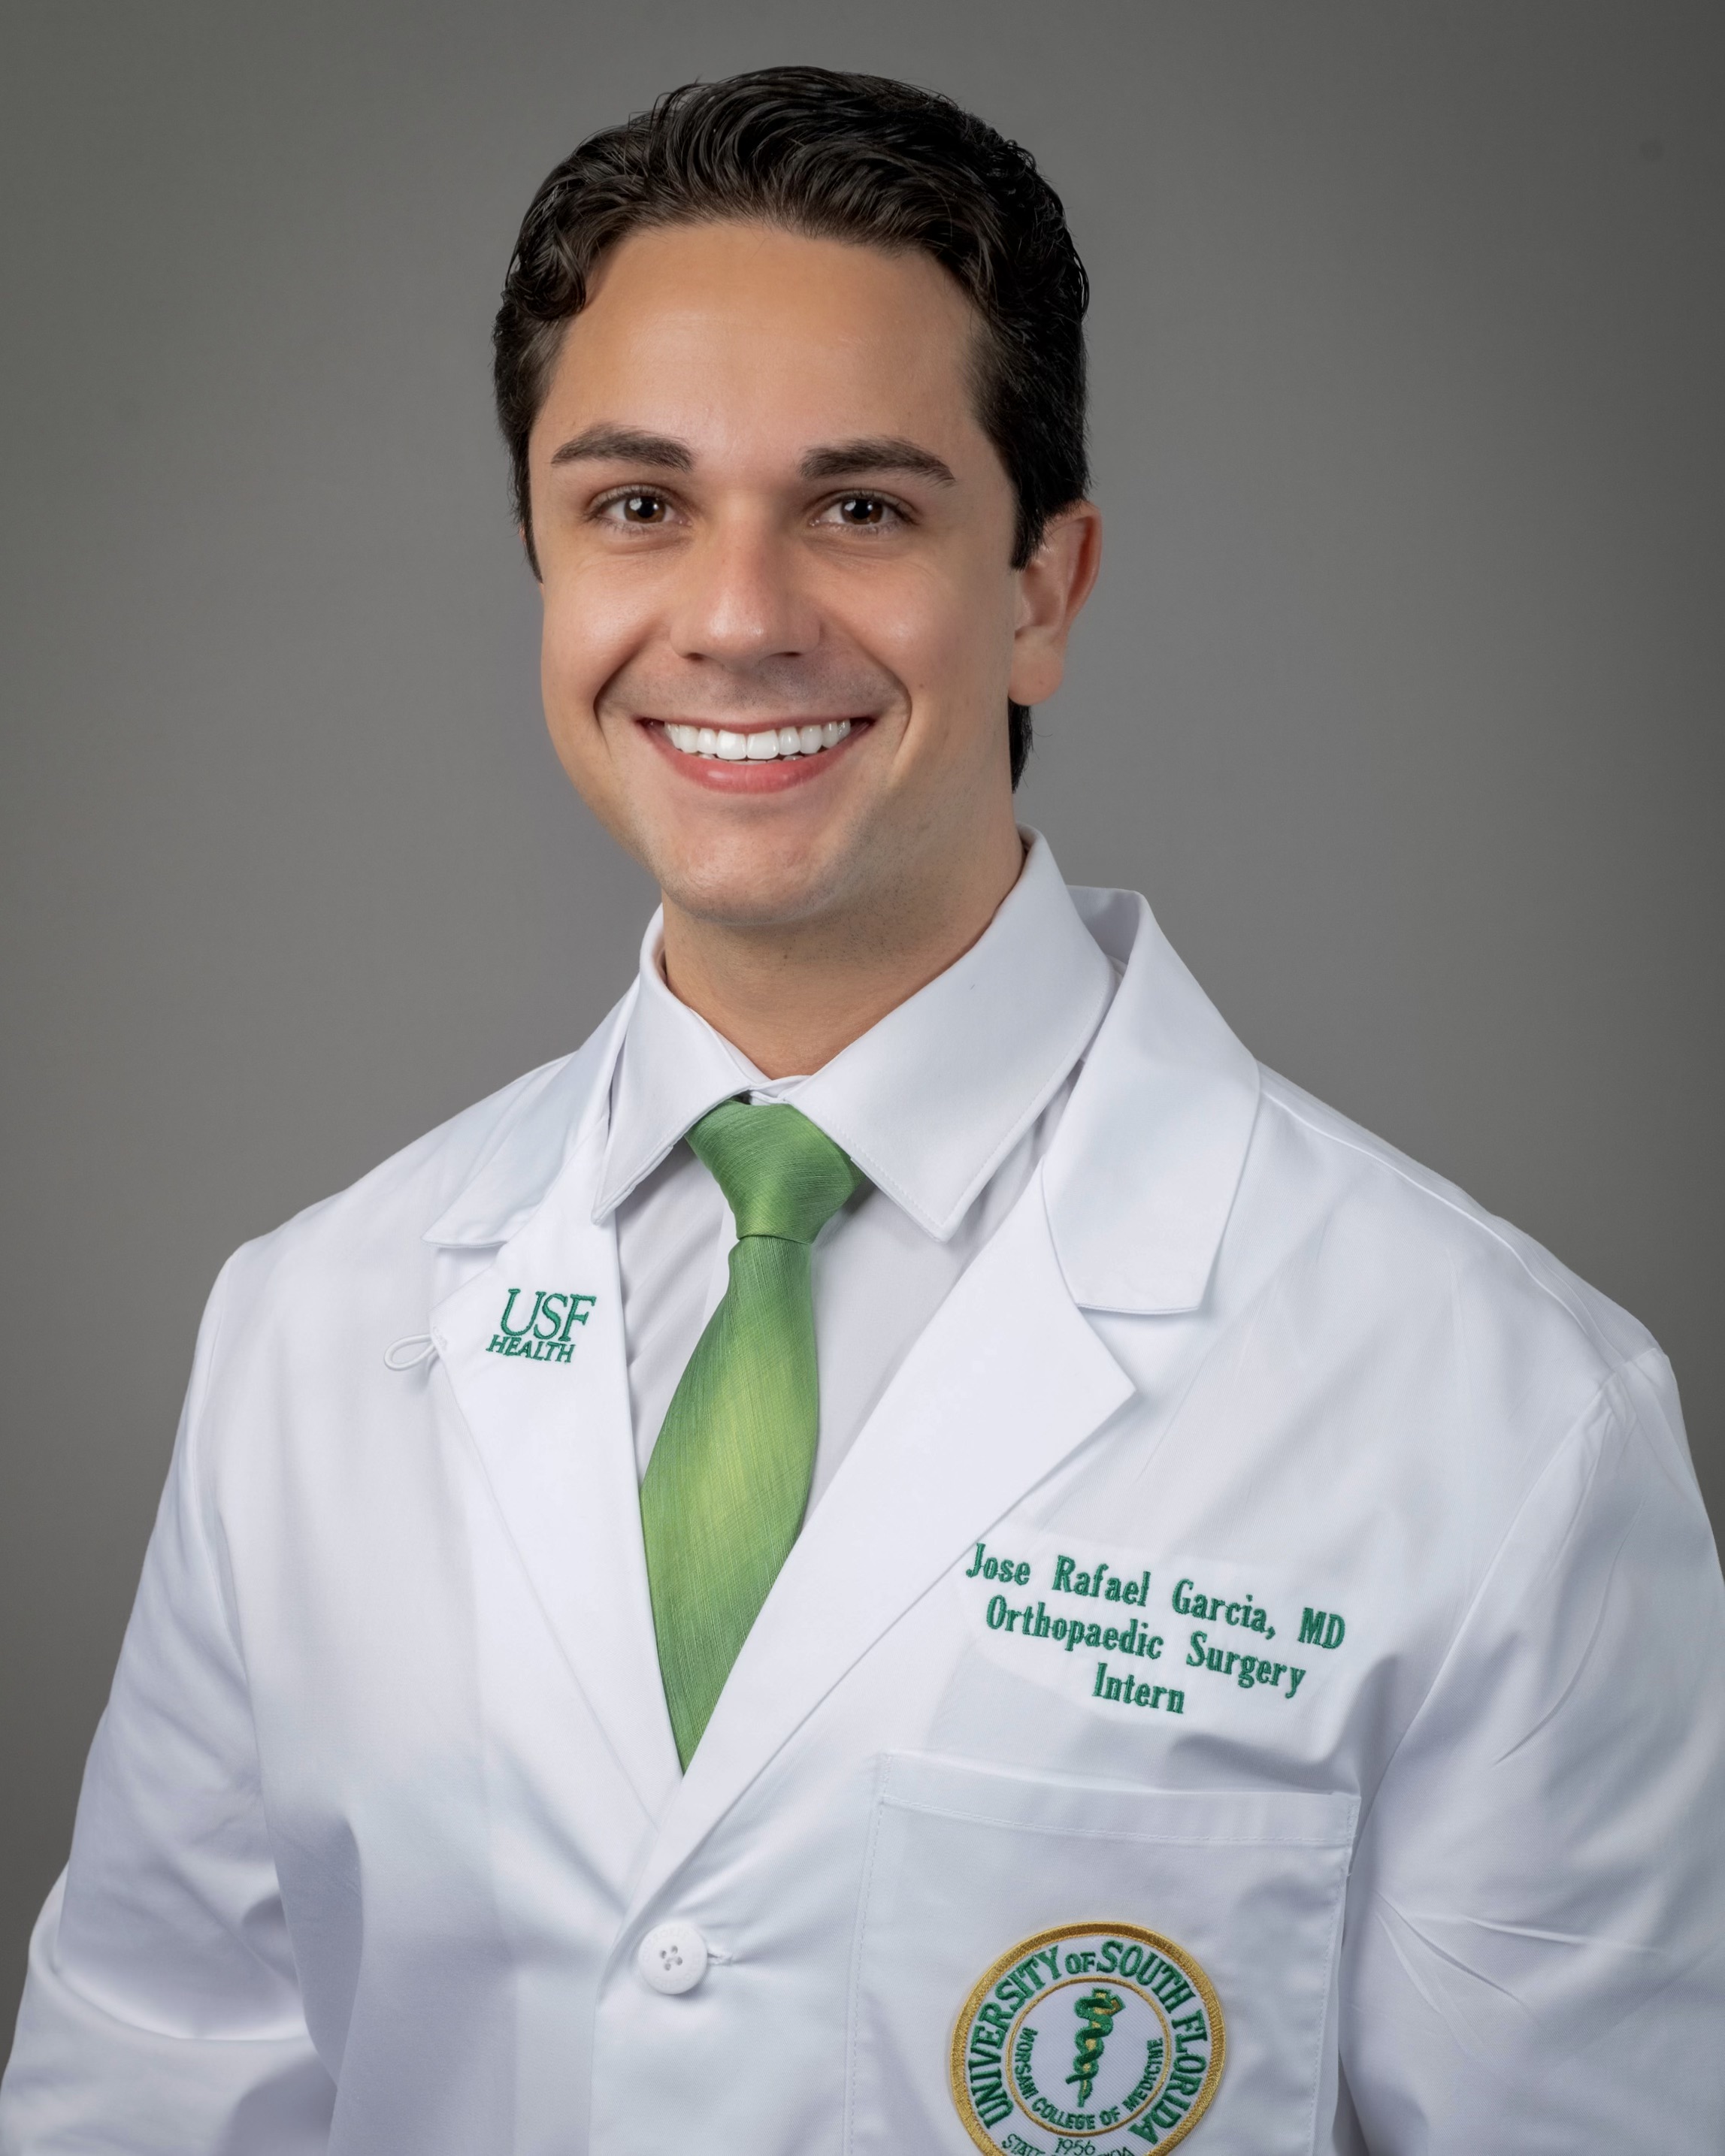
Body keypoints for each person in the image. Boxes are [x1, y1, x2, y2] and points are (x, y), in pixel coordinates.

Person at [2, 64, 1720, 2156]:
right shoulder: (305, 1327)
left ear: (1044, 590)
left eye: (863, 507)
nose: (735, 619)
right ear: (545, 562)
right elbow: (147, 2094)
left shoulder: (1501, 1418)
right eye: (637, 504)